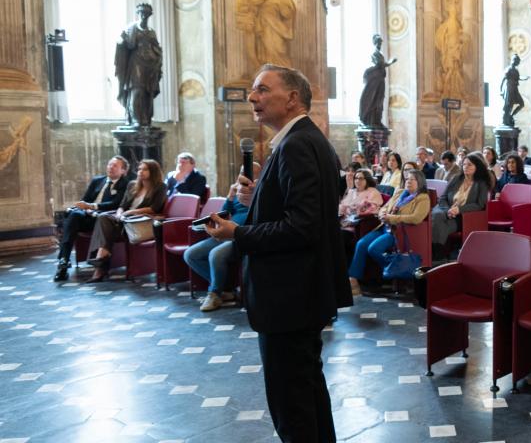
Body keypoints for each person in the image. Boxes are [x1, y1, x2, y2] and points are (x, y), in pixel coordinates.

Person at [204, 64, 344, 442]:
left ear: (293, 98)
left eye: (263, 90)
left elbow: (302, 226)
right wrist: (257, 199)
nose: (252, 97)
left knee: (291, 404)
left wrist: (239, 233)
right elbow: (298, 210)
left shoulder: (297, 143)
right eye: (253, 91)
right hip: (299, 293)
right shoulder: (305, 139)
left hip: (289, 295)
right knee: (307, 392)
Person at [348, 169, 430, 295]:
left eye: (412, 179)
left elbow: (416, 218)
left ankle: (394, 269)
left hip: (398, 231)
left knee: (373, 248)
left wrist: (392, 218)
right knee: (361, 244)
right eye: (407, 179)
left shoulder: (423, 198)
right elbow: (385, 206)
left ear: (420, 182)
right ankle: (353, 281)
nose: (408, 181)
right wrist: (382, 214)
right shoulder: (400, 192)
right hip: (384, 226)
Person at [184, 168, 256, 312]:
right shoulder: (236, 192)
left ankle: (215, 294)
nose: (246, 175)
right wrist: (230, 197)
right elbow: (225, 212)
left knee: (215, 254)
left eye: (252, 173)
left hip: (241, 236)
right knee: (191, 254)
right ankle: (226, 289)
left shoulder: (259, 192)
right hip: (224, 232)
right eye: (243, 171)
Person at [85, 159, 168, 283]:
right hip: (124, 220)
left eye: (145, 169)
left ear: (153, 172)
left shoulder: (160, 187)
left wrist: (130, 212)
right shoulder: (132, 185)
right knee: (103, 217)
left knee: (106, 228)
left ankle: (100, 266)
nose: (140, 172)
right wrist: (119, 214)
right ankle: (101, 260)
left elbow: (154, 208)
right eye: (139, 169)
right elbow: (122, 205)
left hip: (139, 222)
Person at [54, 156, 129, 281]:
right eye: (109, 164)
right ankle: (64, 261)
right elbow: (86, 199)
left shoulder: (126, 184)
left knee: (71, 221)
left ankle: (64, 260)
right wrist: (83, 206)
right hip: (87, 216)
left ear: (123, 171)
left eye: (115, 165)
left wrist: (92, 206)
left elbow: (116, 203)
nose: (110, 167)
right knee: (73, 215)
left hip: (104, 220)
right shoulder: (98, 180)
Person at [114, 3, 162, 127]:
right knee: (136, 90)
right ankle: (135, 118)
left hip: (150, 66)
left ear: (149, 15)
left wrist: (157, 59)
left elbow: (156, 48)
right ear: (138, 14)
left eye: (146, 14)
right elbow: (128, 45)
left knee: (147, 92)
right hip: (136, 64)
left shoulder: (152, 32)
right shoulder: (132, 28)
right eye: (141, 13)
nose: (143, 16)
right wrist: (121, 41)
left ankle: (145, 118)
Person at [431, 153, 491, 249]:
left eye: (469, 164)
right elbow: (443, 197)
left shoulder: (481, 183)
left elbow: (480, 205)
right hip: (446, 210)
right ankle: (439, 254)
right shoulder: (456, 178)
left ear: (477, 167)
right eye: (464, 164)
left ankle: (437, 253)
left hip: (462, 216)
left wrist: (459, 210)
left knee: (441, 226)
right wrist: (448, 210)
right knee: (437, 216)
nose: (465, 167)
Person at [338, 167, 384, 258]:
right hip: (343, 222)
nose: (358, 181)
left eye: (361, 178)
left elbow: (372, 210)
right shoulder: (352, 191)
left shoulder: (373, 192)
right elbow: (342, 206)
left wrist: (353, 216)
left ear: (367, 180)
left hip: (357, 224)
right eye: (356, 178)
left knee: (340, 237)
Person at [358, 34, 397, 128]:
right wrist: (390, 62)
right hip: (374, 80)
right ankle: (370, 121)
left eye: (381, 42)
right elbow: (380, 65)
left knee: (379, 100)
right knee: (373, 100)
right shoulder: (375, 53)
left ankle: (377, 121)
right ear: (375, 43)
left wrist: (388, 63)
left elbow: (381, 65)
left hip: (380, 80)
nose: (380, 44)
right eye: (378, 42)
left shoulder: (380, 54)